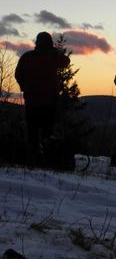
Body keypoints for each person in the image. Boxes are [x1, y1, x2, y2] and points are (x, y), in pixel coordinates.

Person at [15, 32, 70, 163]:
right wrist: (56, 51)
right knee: (47, 132)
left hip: (31, 101)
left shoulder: (27, 57)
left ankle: (32, 158)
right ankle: (47, 159)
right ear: (49, 44)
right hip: (49, 102)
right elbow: (66, 62)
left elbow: (18, 74)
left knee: (32, 131)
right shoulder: (52, 57)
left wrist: (25, 87)